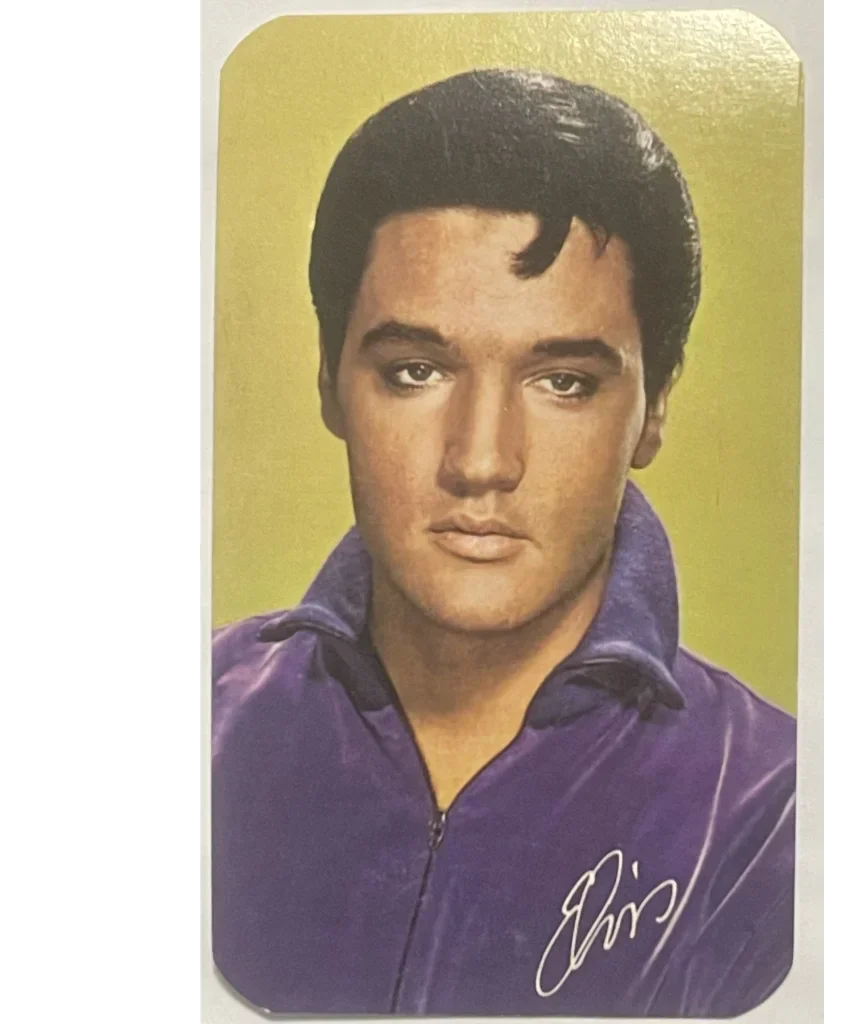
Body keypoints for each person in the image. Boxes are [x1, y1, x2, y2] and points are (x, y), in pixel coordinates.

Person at [211, 68, 796, 1018]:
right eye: (415, 370)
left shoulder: (773, 812)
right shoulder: (190, 725)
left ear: (653, 410)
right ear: (329, 385)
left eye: (563, 381)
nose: (481, 461)